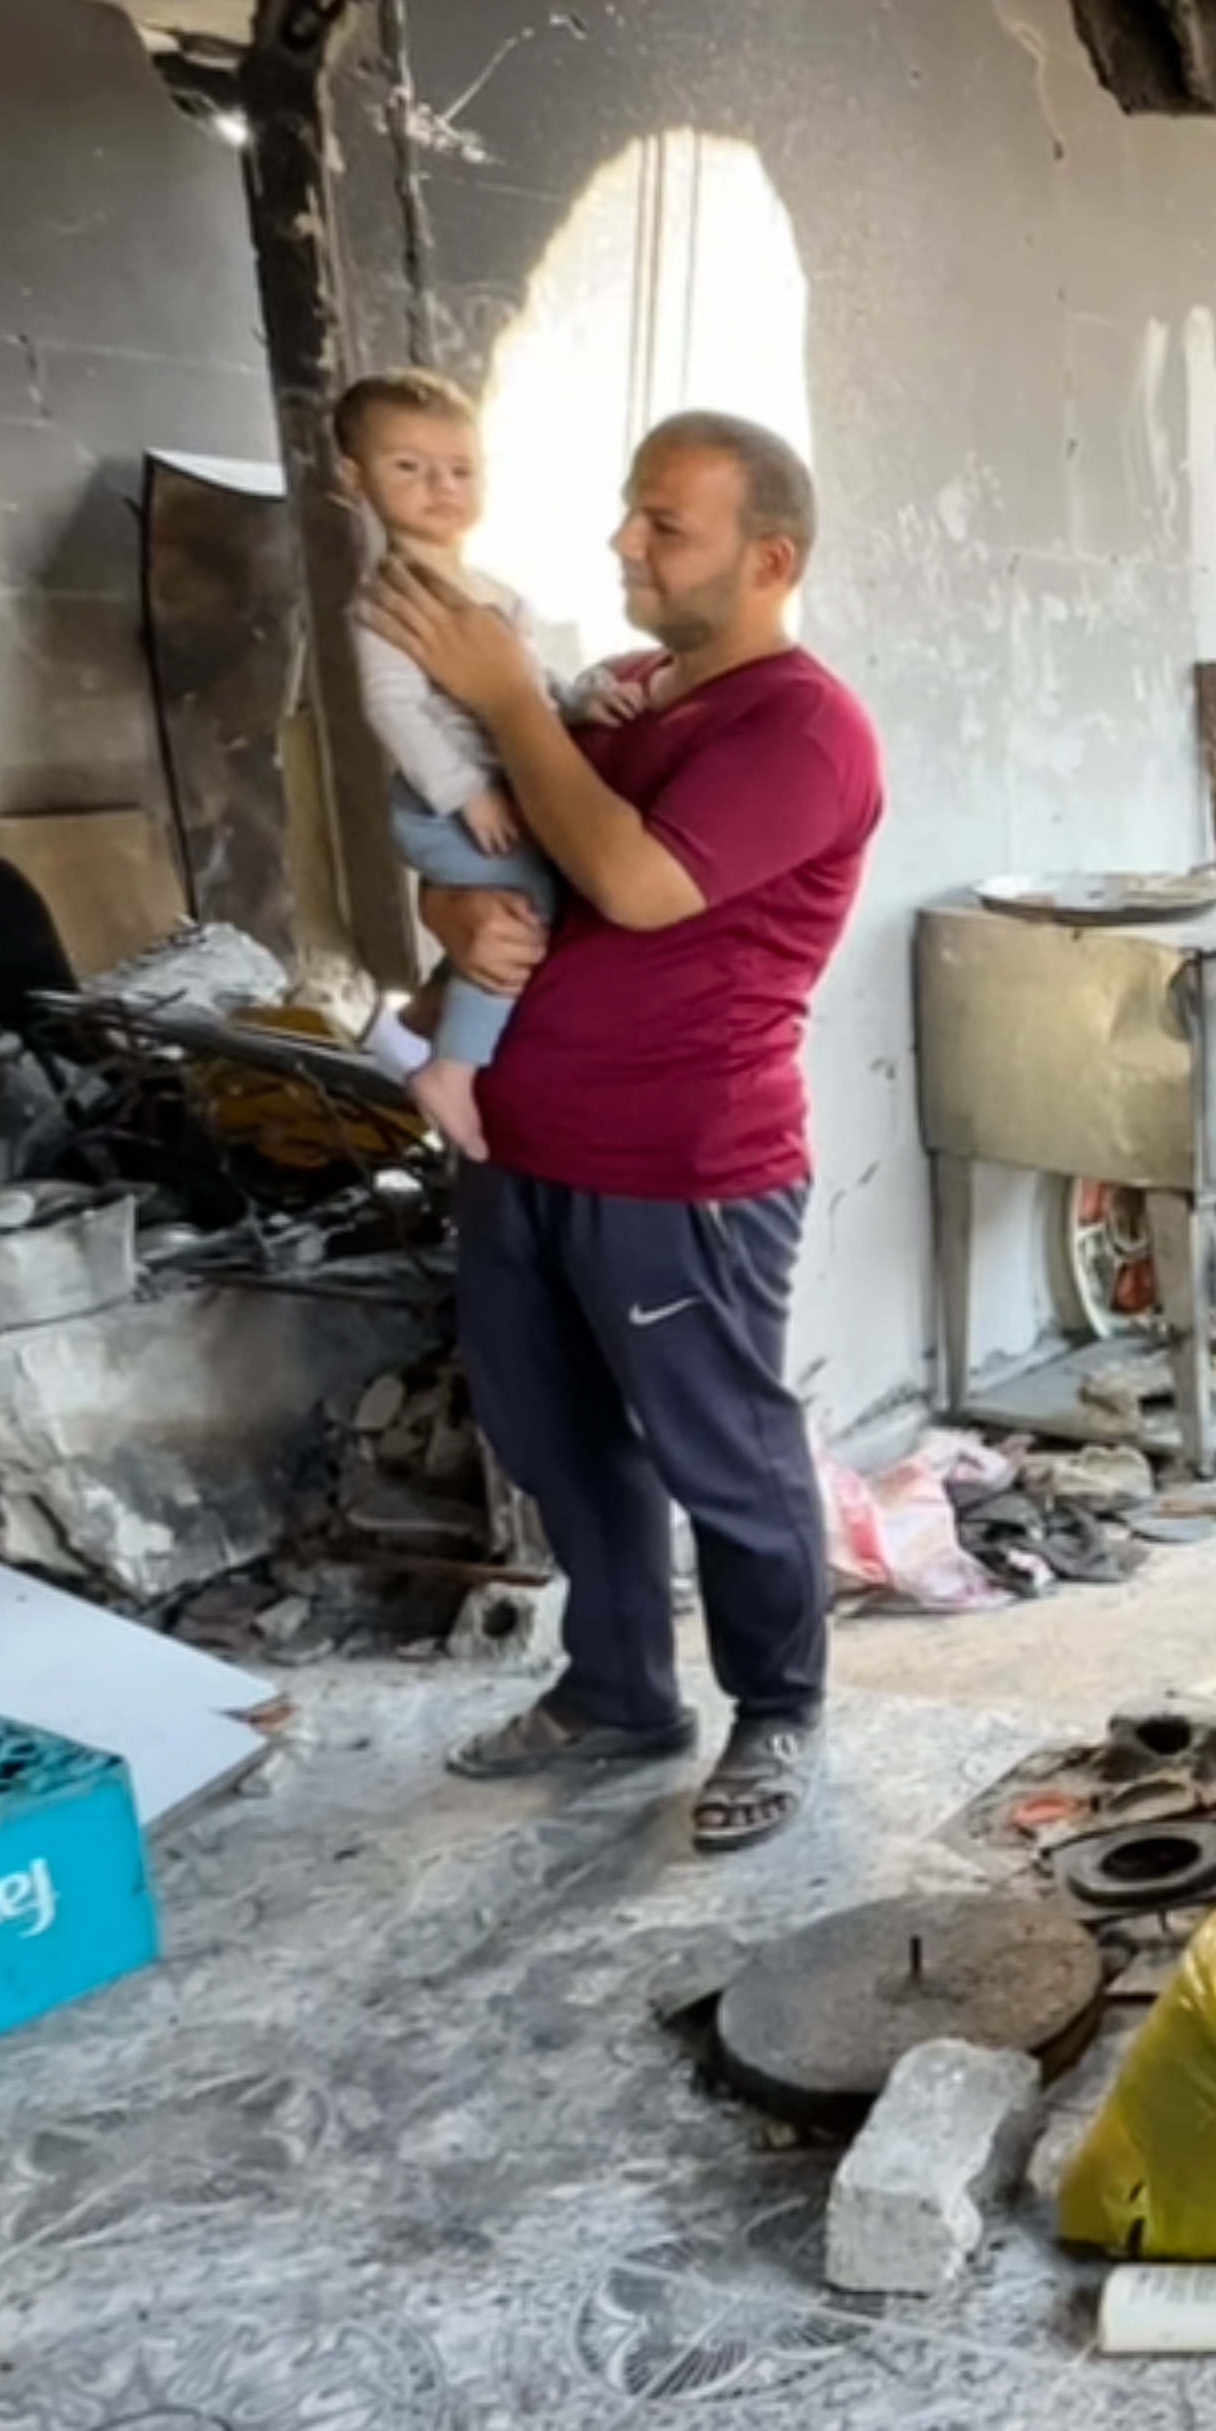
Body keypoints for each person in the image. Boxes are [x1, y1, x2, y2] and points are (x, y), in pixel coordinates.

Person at [358, 411, 884, 1857]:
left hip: (681, 1166)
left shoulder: (802, 727)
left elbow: (639, 884)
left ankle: (775, 1707)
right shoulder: (629, 696)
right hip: (521, 1142)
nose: (625, 546)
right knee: (554, 1437)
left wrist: (509, 699)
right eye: (629, 514)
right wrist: (447, 911)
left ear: (766, 558)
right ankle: (616, 1691)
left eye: (666, 525)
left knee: (720, 1445)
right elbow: (512, 860)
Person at [330, 368, 640, 1164]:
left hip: (495, 792)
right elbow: (393, 709)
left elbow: (523, 690)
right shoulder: (389, 601)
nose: (441, 487)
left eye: (460, 469)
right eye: (409, 467)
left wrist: (579, 699)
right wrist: (468, 792)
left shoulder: (495, 593)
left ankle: (429, 1020)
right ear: (353, 477)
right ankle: (453, 1071)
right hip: (443, 803)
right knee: (523, 901)